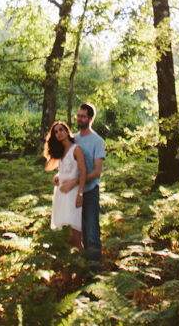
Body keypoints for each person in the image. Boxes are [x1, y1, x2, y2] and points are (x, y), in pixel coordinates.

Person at [71, 102, 107, 272]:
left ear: (91, 118)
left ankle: (95, 274)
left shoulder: (97, 141)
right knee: (79, 235)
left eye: (83, 116)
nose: (79, 119)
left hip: (90, 192)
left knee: (92, 234)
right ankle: (83, 272)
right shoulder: (74, 139)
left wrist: (78, 181)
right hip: (74, 194)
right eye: (78, 115)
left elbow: (97, 171)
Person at [44, 120, 87, 252]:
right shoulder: (61, 152)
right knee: (64, 236)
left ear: (67, 131)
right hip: (61, 195)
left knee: (74, 236)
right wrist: (58, 176)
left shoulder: (76, 149)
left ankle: (83, 268)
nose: (58, 133)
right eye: (55, 132)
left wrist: (80, 194)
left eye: (61, 130)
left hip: (73, 194)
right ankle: (69, 270)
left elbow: (83, 171)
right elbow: (48, 167)